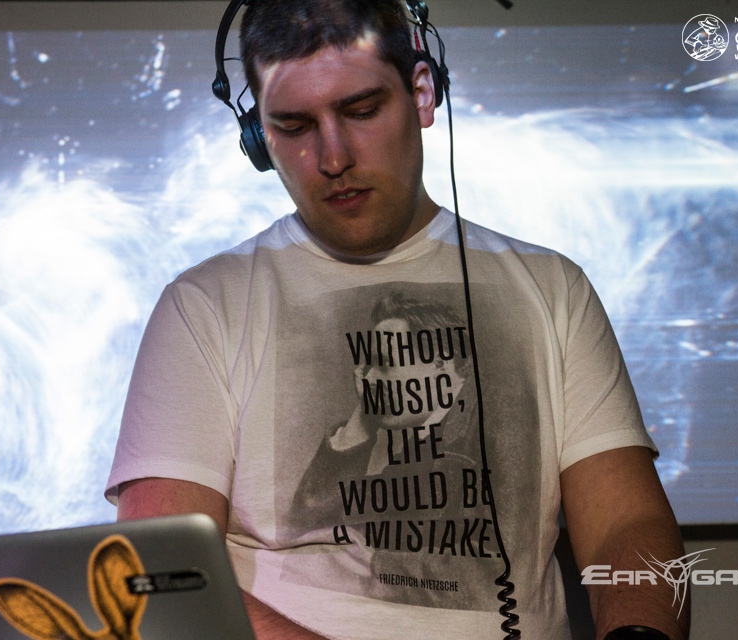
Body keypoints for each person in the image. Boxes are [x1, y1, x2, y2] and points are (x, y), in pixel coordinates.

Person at [106, 1, 689, 638]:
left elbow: (625, 525)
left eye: (361, 111)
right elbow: (159, 569)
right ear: (257, 139)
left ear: (422, 92)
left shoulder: (554, 289)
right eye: (294, 126)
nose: (333, 158)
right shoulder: (202, 306)